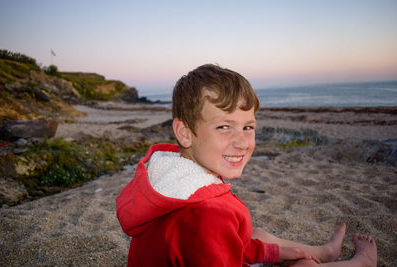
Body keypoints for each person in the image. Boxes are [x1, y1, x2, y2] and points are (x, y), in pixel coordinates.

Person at [116, 64, 377, 266]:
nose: (241, 142)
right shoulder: (208, 213)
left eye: (248, 127)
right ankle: (361, 263)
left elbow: (227, 243)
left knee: (257, 234)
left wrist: (284, 253)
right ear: (184, 132)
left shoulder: (168, 176)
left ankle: (324, 252)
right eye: (224, 127)